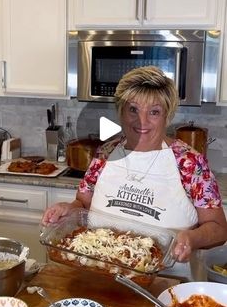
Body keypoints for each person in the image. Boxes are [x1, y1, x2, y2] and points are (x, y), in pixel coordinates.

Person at [42, 66, 227, 278]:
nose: (142, 121)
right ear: (121, 111)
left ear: (167, 115)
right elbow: (83, 204)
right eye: (133, 110)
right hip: (97, 274)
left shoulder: (190, 163)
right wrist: (68, 209)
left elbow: (219, 229)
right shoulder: (105, 153)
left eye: (154, 112)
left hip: (163, 284)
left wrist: (191, 238)